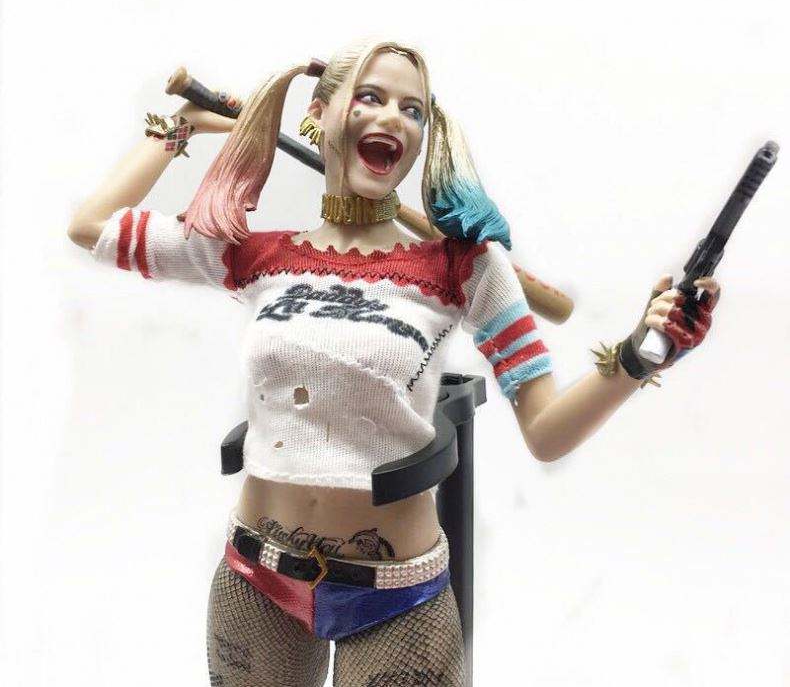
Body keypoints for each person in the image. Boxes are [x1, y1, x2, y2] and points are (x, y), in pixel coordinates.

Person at [67, 38, 720, 687]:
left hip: (397, 596)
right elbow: (90, 227)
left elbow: (546, 431)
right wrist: (184, 125)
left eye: (413, 110)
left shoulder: (463, 269)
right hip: (258, 576)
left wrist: (636, 356)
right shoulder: (252, 255)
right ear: (318, 114)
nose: (393, 118)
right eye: (371, 97)